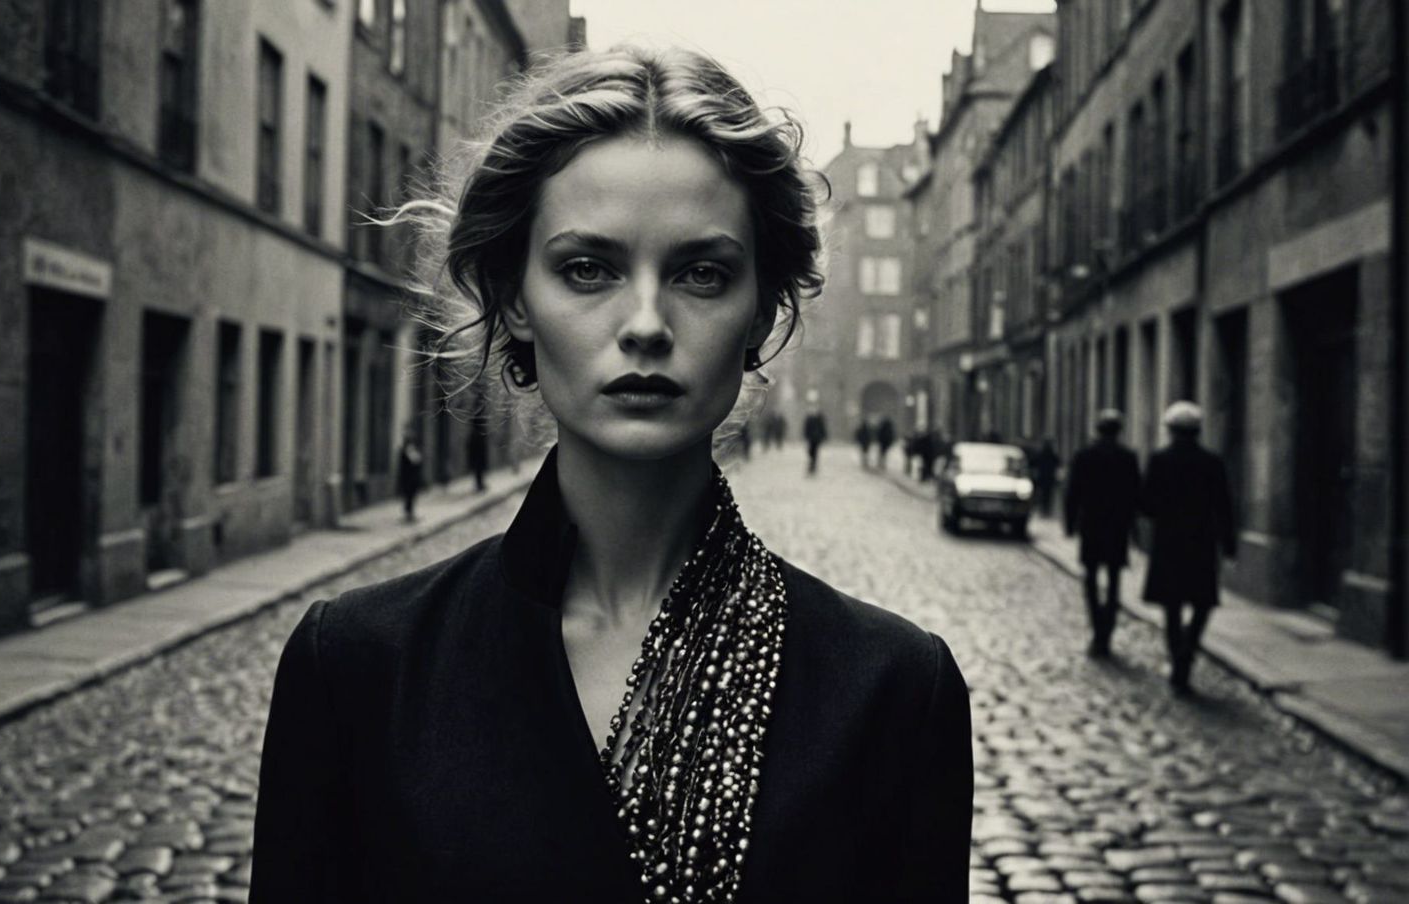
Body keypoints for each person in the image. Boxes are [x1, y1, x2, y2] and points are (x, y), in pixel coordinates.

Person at [250, 45, 971, 902]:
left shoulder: (891, 691)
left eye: (701, 273)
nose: (645, 324)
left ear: (762, 312)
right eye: (587, 268)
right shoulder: (359, 669)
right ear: (516, 300)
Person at [1140, 401, 1237, 695]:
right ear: (1197, 431)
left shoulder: (1159, 460)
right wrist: (1229, 544)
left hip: (1169, 541)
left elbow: (1146, 504)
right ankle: (1188, 649)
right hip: (1201, 542)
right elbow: (1224, 507)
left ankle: (1178, 657)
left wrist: (1163, 516)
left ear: (1170, 430)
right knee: (1202, 602)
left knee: (1172, 605)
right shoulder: (1212, 462)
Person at [1063, 410, 1141, 658]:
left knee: (1091, 579)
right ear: (1118, 431)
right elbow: (1135, 495)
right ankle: (1107, 630)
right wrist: (1135, 529)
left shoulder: (1085, 455)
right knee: (1114, 580)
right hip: (1117, 528)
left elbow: (1072, 491)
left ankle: (1098, 629)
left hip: (1092, 526)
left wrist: (1070, 522)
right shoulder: (1127, 457)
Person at [396, 427, 424, 521]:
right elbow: (415, 461)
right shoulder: (407, 449)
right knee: (408, 496)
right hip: (408, 477)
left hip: (411, 477)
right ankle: (408, 514)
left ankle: (409, 514)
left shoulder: (410, 449)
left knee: (411, 496)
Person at [1029, 438, 1061, 518]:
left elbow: (1033, 463)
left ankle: (1044, 509)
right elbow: (1058, 463)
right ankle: (1046, 509)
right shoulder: (1052, 455)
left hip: (1042, 478)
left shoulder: (1041, 455)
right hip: (1049, 478)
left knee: (1043, 494)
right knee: (1048, 495)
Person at [803, 405, 828, 475]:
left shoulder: (820, 419)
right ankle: (812, 463)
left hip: (817, 438)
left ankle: (813, 464)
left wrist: (823, 436)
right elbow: (806, 428)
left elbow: (823, 428)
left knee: (815, 451)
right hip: (811, 438)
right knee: (811, 451)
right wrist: (806, 435)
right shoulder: (809, 419)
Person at [466, 420, 489, 492]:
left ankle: (479, 485)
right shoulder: (478, 434)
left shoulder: (475, 434)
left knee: (478, 472)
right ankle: (479, 485)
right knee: (478, 472)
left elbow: (469, 446)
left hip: (477, 457)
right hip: (478, 457)